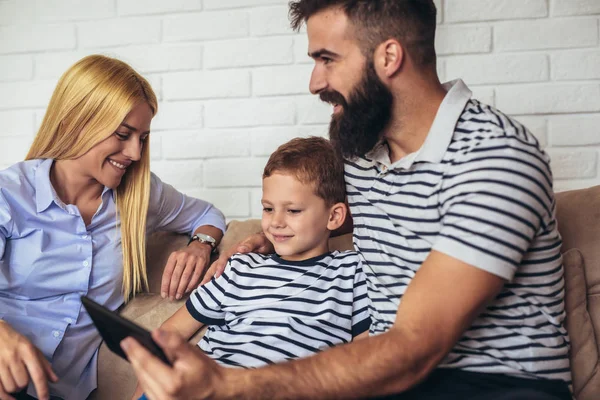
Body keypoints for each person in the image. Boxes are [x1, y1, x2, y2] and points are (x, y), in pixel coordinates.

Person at [122, 1, 572, 399]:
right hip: (387, 382)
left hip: (494, 385)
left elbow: (415, 348)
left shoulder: (495, 158)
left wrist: (229, 387)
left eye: (327, 59)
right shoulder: (359, 159)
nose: (315, 82)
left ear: (388, 57)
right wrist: (265, 237)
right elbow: (315, 215)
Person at [0, 55, 226, 400]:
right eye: (123, 134)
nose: (135, 153)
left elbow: (207, 214)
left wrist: (200, 244)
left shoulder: (140, 196)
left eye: (143, 138)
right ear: (78, 121)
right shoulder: (10, 194)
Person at [131, 137, 371, 398]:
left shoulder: (352, 272)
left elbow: (366, 360)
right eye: (268, 208)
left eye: (293, 211)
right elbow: (170, 333)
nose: (275, 222)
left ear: (334, 216)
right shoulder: (240, 267)